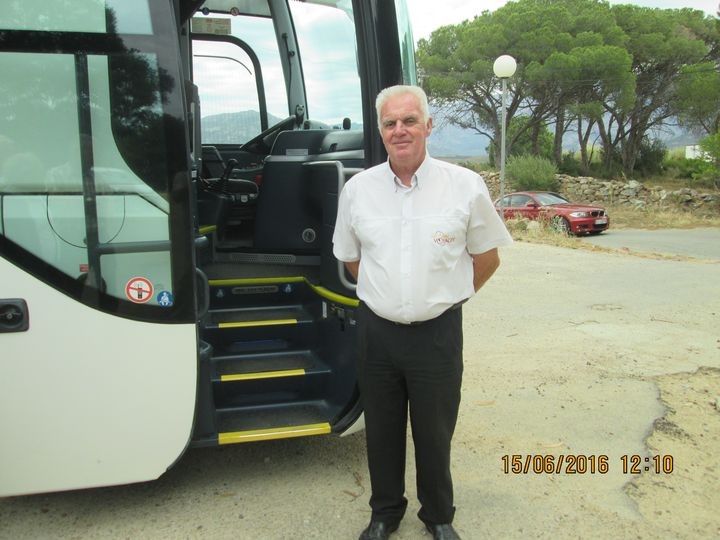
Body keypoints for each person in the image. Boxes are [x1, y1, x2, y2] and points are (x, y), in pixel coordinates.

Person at [332, 85, 513, 540]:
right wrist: (391, 294)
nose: (400, 130)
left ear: (428, 126)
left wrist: (446, 297)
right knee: (382, 430)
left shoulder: (464, 186)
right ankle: (384, 513)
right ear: (381, 131)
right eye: (390, 123)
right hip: (377, 335)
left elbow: (487, 257)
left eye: (409, 121)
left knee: (435, 432)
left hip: (437, 335)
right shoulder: (357, 191)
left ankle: (438, 515)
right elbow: (352, 259)